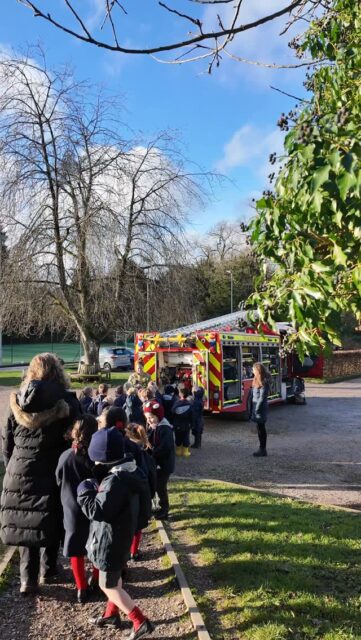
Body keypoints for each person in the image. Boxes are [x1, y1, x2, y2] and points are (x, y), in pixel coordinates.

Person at [0, 353, 81, 594]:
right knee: (50, 517)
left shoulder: (17, 400)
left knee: (27, 522)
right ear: (58, 371)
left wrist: (11, 465)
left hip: (19, 467)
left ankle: (28, 579)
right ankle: (49, 567)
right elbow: (75, 437)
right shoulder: (66, 400)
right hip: (53, 466)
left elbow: (7, 441)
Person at [77, 427, 154, 638]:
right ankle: (111, 615)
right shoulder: (130, 471)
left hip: (110, 540)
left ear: (103, 458)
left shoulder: (115, 482)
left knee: (107, 585)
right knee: (115, 578)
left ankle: (140, 621)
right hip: (122, 534)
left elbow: (97, 510)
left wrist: (85, 491)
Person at [55, 414, 99, 603]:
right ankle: (96, 580)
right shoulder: (95, 457)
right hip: (93, 508)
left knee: (75, 548)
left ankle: (81, 587)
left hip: (71, 506)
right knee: (97, 544)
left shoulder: (65, 456)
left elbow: (58, 479)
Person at [126, 423, 157, 560]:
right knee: (137, 525)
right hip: (142, 493)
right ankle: (134, 551)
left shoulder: (126, 452)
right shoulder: (146, 455)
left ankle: (126, 550)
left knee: (126, 524)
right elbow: (151, 476)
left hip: (127, 493)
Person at [144, 405, 175, 520]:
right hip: (156, 462)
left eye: (151, 417)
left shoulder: (164, 428)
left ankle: (164, 509)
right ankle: (156, 505)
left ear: (158, 416)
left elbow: (165, 447)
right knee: (155, 484)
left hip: (164, 464)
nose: (149, 420)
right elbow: (150, 441)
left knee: (160, 487)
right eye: (147, 418)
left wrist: (153, 454)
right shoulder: (153, 426)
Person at [251, 362, 271, 457]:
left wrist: (257, 409)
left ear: (258, 371)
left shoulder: (264, 381)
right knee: (259, 428)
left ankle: (263, 449)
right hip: (257, 407)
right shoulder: (256, 379)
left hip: (260, 408)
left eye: (254, 369)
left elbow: (262, 397)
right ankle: (261, 448)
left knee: (261, 428)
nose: (252, 371)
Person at [171, 387, 193, 457]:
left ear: (181, 394)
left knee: (178, 437)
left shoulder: (176, 403)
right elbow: (192, 416)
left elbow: (172, 412)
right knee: (186, 437)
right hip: (186, 425)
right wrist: (191, 424)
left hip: (177, 424)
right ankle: (185, 452)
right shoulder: (189, 404)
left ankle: (178, 451)